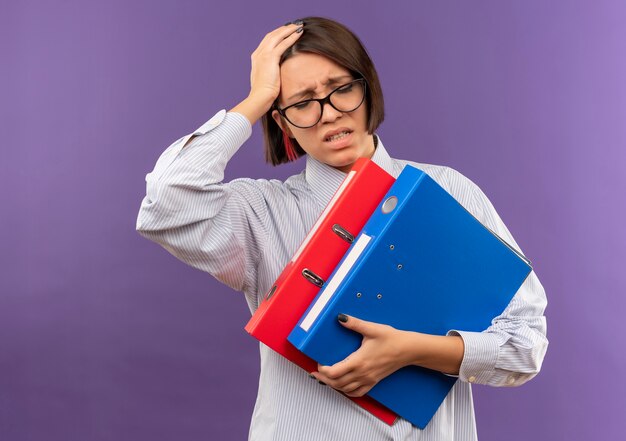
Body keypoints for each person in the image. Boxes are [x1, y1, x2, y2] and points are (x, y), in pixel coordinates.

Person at [136, 16, 548, 441]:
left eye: (342, 89)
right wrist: (257, 98)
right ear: (283, 122)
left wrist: (414, 351)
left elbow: (525, 343)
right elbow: (165, 203)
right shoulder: (261, 212)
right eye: (301, 103)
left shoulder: (449, 191)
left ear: (367, 88)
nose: (329, 114)